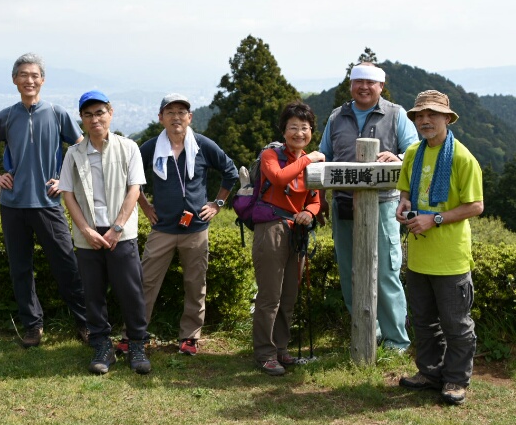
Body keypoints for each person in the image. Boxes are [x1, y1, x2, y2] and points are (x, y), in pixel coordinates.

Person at [0, 53, 88, 347]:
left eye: (34, 75)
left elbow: (80, 148)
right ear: (15, 79)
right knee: (20, 269)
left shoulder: (56, 113)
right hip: (12, 204)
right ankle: (32, 326)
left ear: (43, 80)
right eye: (23, 75)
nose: (29, 80)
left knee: (67, 264)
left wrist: (65, 181)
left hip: (48, 204)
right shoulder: (6, 116)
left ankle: (86, 323)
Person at [319, 63, 417, 351]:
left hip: (384, 204)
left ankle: (395, 341)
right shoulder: (337, 116)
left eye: (370, 82)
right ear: (351, 85)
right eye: (358, 81)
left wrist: (398, 158)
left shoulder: (396, 114)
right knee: (349, 271)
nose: (364, 87)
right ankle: (365, 334)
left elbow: (414, 151)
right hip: (343, 203)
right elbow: (324, 156)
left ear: (381, 86)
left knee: (386, 271)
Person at [396, 90, 484, 405]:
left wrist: (433, 219)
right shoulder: (413, 153)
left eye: (432, 114)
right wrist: (404, 203)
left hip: (450, 258)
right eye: (419, 115)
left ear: (447, 118)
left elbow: (476, 206)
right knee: (423, 322)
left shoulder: (462, 157)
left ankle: (456, 380)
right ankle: (430, 373)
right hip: (419, 256)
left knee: (456, 324)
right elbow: (406, 190)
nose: (425, 120)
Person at [136, 93, 238, 355]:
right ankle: (134, 333)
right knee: (146, 282)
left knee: (195, 284)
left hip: (196, 228)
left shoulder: (202, 144)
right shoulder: (151, 147)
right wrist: (145, 205)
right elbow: (131, 176)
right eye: (170, 112)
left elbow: (230, 172)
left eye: (181, 112)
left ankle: (190, 336)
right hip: (162, 227)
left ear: (190, 117)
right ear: (161, 118)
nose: (176, 117)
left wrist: (217, 204)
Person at [59, 91, 151, 374]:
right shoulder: (73, 154)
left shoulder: (128, 147)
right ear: (81, 119)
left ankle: (137, 344)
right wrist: (85, 229)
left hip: (121, 233)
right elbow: (67, 194)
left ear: (111, 113)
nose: (95, 119)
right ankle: (102, 346)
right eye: (88, 115)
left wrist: (117, 227)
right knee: (93, 293)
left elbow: (134, 189)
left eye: (100, 112)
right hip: (88, 234)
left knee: (130, 291)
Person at [252, 101, 325, 376]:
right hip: (271, 228)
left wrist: (309, 212)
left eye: (304, 128)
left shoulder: (310, 162)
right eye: (293, 127)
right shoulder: (271, 155)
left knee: (288, 295)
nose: (299, 133)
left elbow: (315, 199)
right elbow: (279, 178)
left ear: (311, 131)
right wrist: (308, 159)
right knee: (270, 295)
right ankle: (264, 353)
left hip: (296, 231)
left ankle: (281, 348)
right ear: (283, 131)